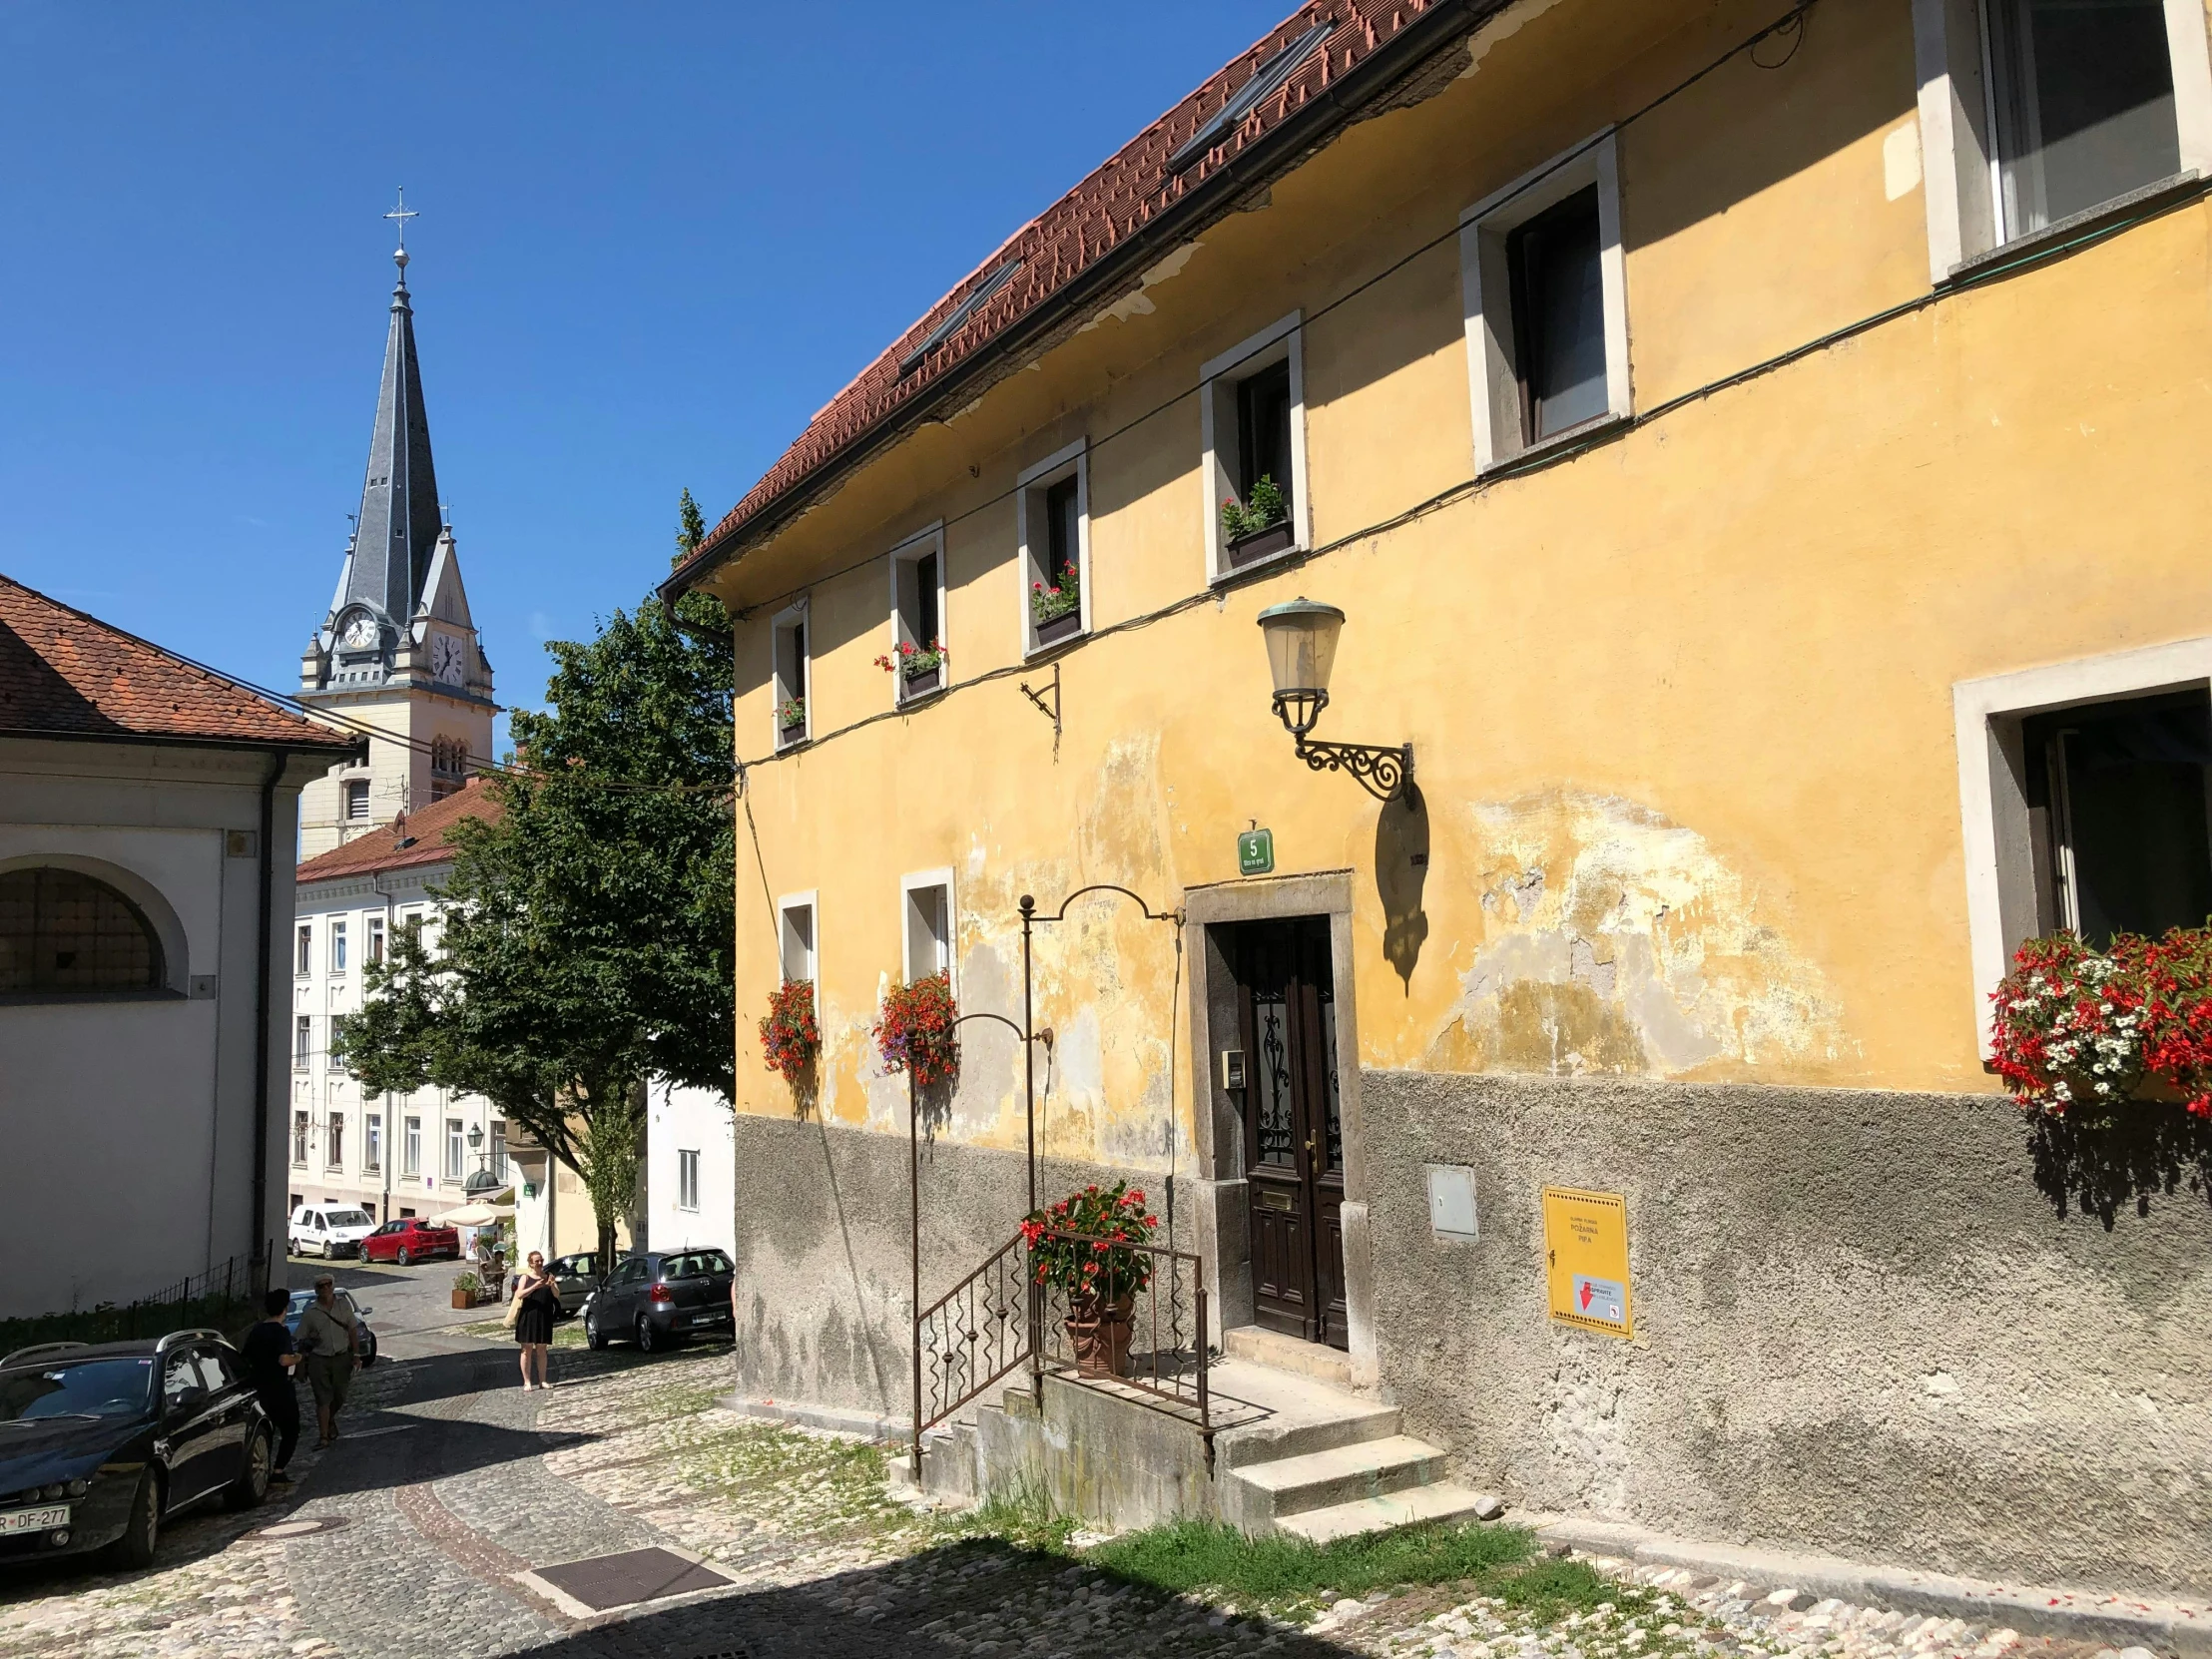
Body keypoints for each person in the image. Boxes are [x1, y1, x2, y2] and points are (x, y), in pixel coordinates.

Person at [238, 1286, 301, 1485]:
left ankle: (262, 1467)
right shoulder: (281, 1331)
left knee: (266, 1430)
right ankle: (278, 1470)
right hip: (279, 1389)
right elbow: (284, 1360)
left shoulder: (256, 1330)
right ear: (285, 1309)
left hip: (258, 1388)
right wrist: (297, 1357)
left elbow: (244, 1358)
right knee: (291, 1430)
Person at [296, 1274, 360, 1446]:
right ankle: (323, 1436)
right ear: (316, 1289)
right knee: (322, 1399)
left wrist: (356, 1355)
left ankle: (329, 1419)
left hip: (341, 1357)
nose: (325, 1288)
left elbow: (353, 1330)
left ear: (332, 1286)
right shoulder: (310, 1313)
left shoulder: (343, 1305)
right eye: (321, 1285)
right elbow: (301, 1340)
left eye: (328, 1284)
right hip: (319, 1360)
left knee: (340, 1395)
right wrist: (301, 1364)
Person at [512, 1251, 559, 1389]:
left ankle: (542, 1380)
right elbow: (519, 1294)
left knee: (542, 1349)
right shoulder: (525, 1278)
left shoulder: (549, 1277)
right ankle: (527, 1381)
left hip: (544, 1316)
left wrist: (551, 1285)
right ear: (531, 1263)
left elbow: (557, 1295)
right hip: (528, 1316)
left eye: (541, 1260)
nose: (539, 1263)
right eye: (536, 1261)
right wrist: (534, 1287)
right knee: (526, 1349)